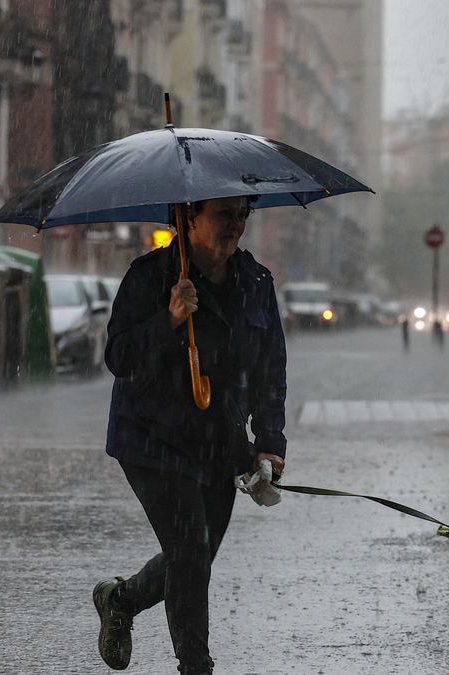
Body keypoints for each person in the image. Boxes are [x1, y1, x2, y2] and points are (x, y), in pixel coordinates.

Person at [93, 196, 287, 674]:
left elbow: (270, 369)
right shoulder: (150, 276)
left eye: (244, 214)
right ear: (186, 217)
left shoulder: (256, 282)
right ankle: (196, 668)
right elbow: (119, 356)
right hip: (150, 437)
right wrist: (170, 320)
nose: (236, 226)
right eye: (224, 214)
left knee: (195, 557)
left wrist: (268, 442)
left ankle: (121, 600)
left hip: (219, 442)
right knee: (190, 550)